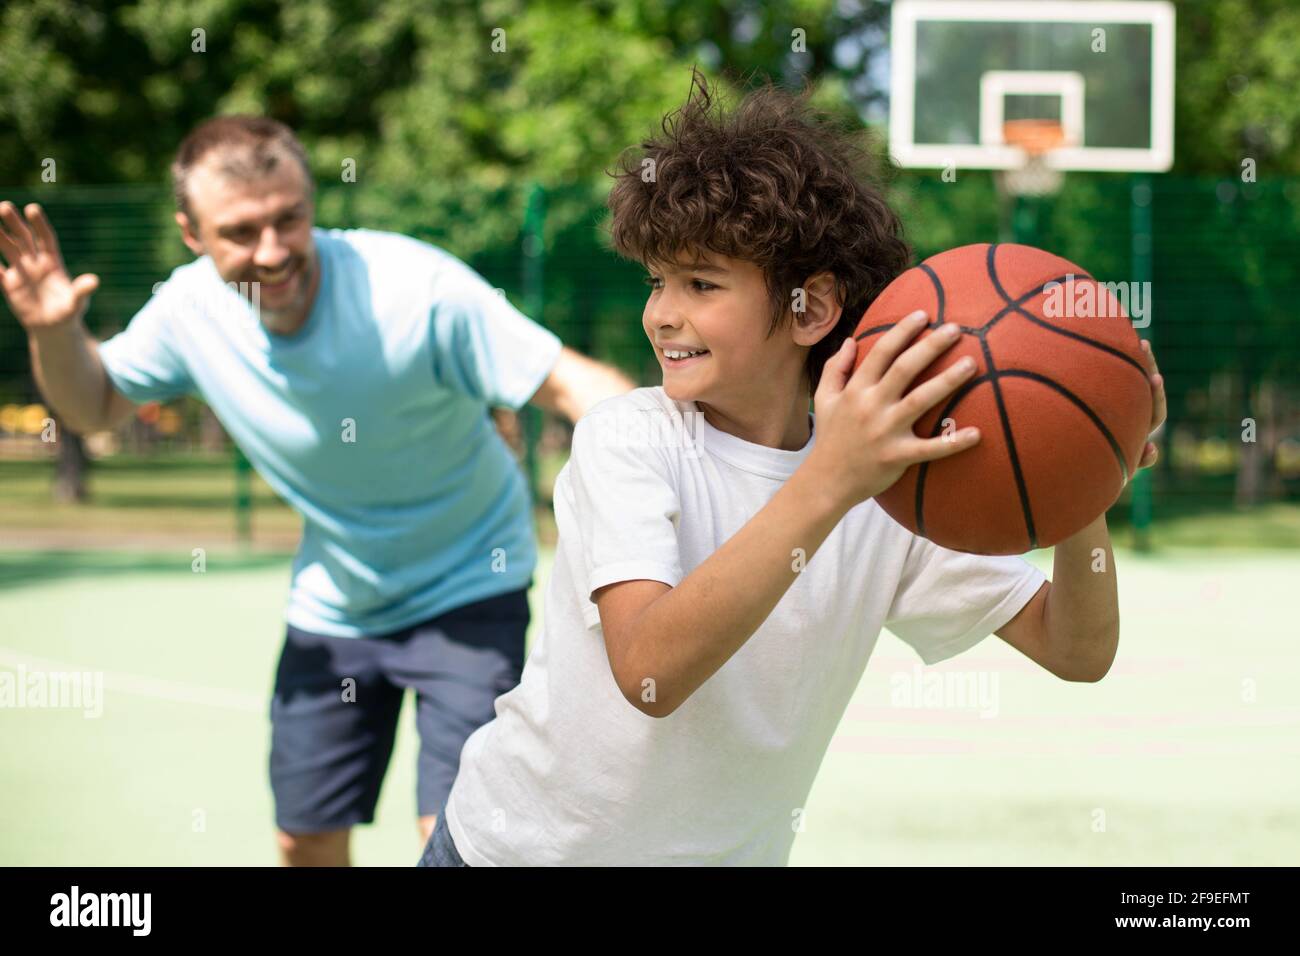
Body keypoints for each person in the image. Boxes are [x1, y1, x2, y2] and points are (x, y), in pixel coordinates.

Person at [421, 73, 1167, 866]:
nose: (661, 314)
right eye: (657, 281)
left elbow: (1077, 651)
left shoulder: (891, 484)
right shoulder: (632, 439)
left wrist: (1081, 470)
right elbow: (649, 674)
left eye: (701, 284)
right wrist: (833, 481)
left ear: (810, 309)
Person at [0, 115, 635, 866]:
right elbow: (91, 405)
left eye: (289, 219)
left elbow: (571, 384)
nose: (272, 253)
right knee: (302, 841)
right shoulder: (187, 312)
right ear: (191, 234)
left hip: (471, 585)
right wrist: (51, 332)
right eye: (240, 232)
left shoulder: (416, 288)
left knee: (459, 839)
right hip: (336, 603)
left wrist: (670, 466)